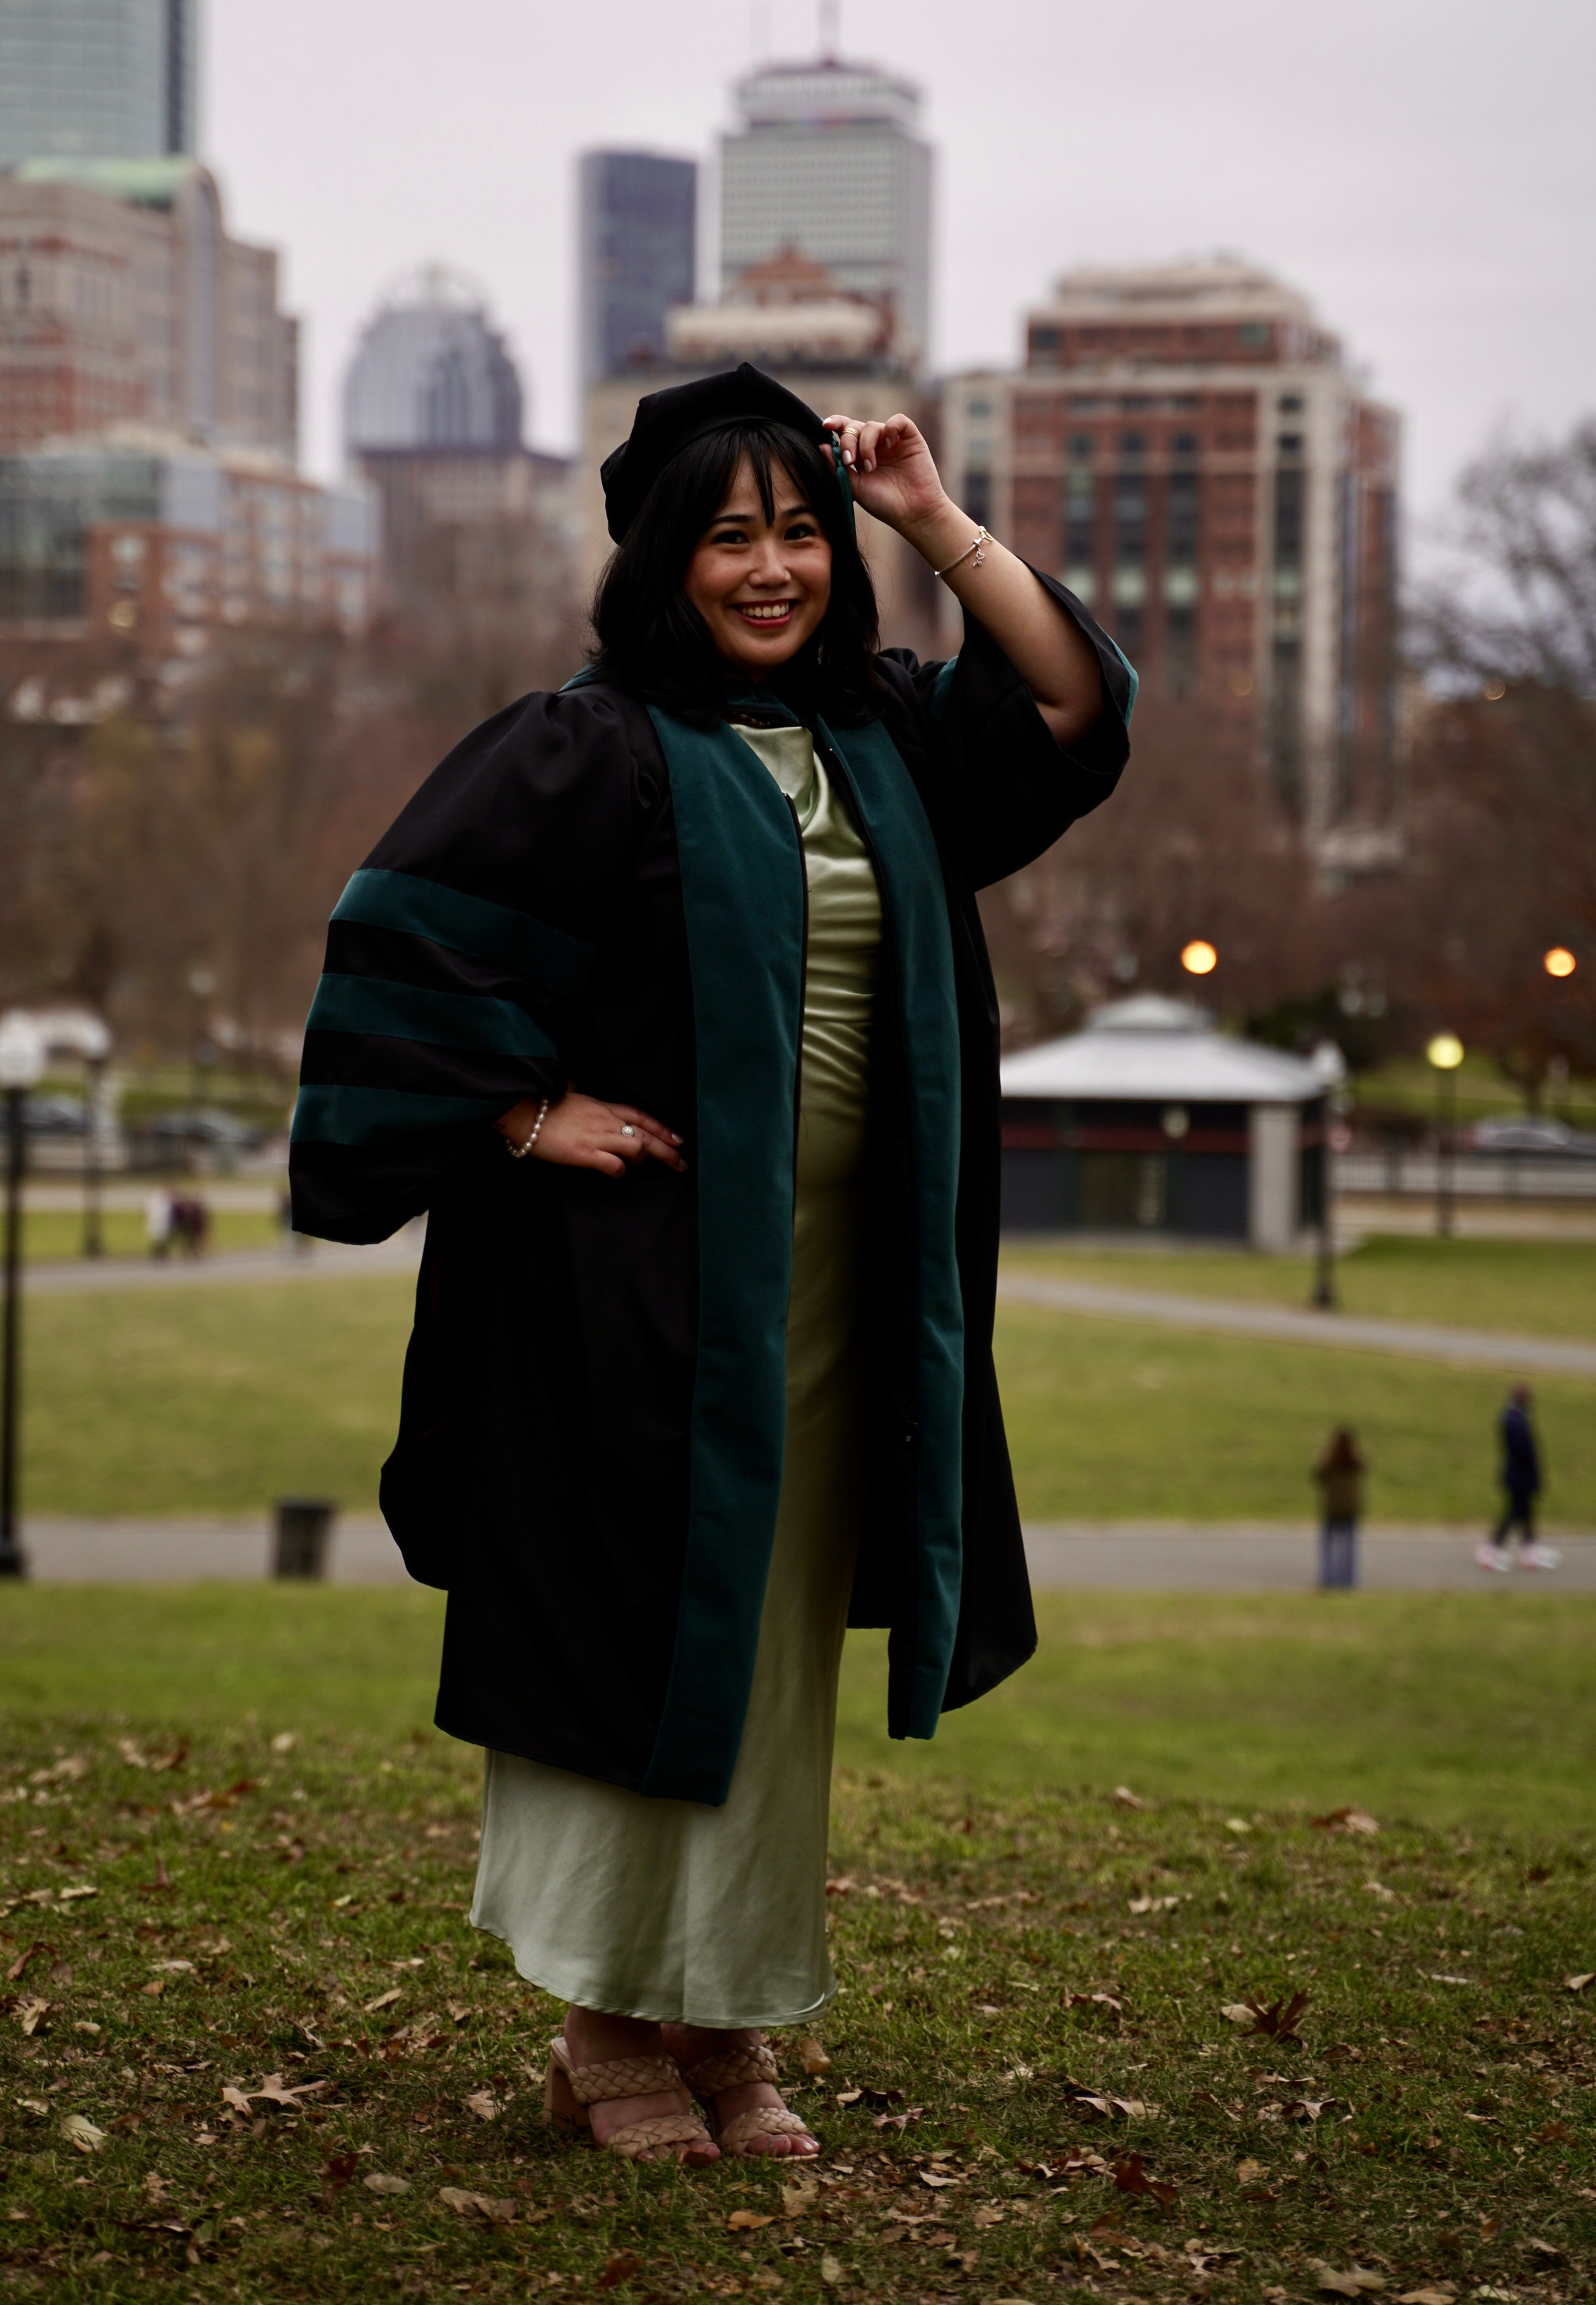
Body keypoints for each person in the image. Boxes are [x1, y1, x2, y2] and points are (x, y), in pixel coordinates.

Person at [288, 364, 1132, 2167]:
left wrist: (926, 512)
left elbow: (1070, 699)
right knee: (629, 1640)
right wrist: (525, 1121)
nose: (771, 568)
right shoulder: (586, 748)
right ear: (661, 562)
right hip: (630, 1307)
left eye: (799, 531)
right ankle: (604, 2027)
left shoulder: (889, 742)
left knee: (764, 1664)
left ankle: (727, 2018)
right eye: (729, 537)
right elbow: (388, 964)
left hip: (836, 1304)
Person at [1479, 1384, 1559, 1571]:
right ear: (1524, 1399)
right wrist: (1536, 1474)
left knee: (1525, 1512)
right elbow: (1524, 1452)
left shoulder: (1512, 1416)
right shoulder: (1516, 1420)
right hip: (1520, 1476)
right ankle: (1492, 1549)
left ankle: (1530, 1550)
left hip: (1517, 1474)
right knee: (1515, 1512)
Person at [1312, 1427, 1365, 1589]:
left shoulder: (1330, 1464)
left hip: (1333, 1510)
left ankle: (1327, 1579)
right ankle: (1348, 1580)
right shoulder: (1356, 1463)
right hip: (1350, 1509)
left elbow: (1317, 1476)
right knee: (1348, 1549)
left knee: (1327, 1547)